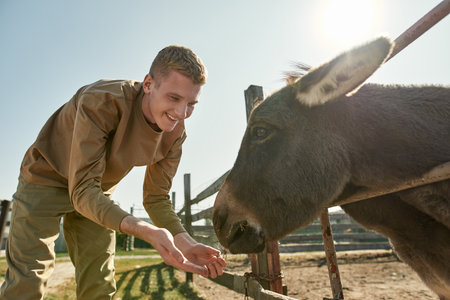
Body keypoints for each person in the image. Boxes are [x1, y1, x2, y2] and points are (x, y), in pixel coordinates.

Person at [0, 45, 226, 300]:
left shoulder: (175, 134)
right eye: (174, 98)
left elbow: (155, 198)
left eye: (191, 104)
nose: (181, 113)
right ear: (149, 84)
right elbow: (81, 189)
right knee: (27, 281)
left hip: (97, 193)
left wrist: (184, 240)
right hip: (45, 177)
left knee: (99, 286)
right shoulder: (101, 100)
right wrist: (145, 230)